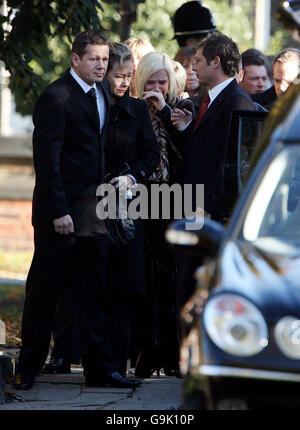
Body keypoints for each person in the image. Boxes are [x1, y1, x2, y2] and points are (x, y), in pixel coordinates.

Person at [13, 30, 141, 390]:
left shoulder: (100, 93)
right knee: (45, 295)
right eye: (94, 59)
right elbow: (47, 161)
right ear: (75, 59)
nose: (101, 65)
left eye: (104, 59)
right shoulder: (56, 97)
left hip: (93, 214)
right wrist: (58, 211)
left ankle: (100, 371)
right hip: (61, 216)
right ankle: (27, 370)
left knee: (93, 295)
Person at [132, 51, 194, 378]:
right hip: (144, 196)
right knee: (146, 278)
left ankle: (170, 352)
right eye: (151, 81)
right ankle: (147, 349)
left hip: (173, 198)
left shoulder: (180, 109)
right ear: (141, 81)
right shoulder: (133, 110)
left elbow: (185, 156)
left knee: (170, 278)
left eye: (162, 81)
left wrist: (166, 111)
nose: (156, 87)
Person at [104, 42, 159, 377]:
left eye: (128, 76)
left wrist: (132, 175)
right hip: (94, 201)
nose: (123, 82)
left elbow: (151, 156)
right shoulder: (94, 106)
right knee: (96, 282)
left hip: (127, 205)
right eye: (118, 75)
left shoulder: (137, 110)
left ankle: (117, 364)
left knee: (125, 285)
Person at [174, 45, 207, 111]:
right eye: (185, 67)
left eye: (195, 65)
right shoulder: (169, 100)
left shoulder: (210, 100)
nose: (191, 72)